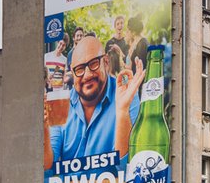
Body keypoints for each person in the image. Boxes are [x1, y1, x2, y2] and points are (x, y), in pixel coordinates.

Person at [44, 35, 144, 170]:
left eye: (93, 64)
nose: (87, 75)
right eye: (79, 69)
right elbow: (47, 167)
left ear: (106, 63)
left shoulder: (125, 94)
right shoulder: (60, 104)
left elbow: (131, 168)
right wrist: (44, 128)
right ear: (72, 73)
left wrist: (122, 112)